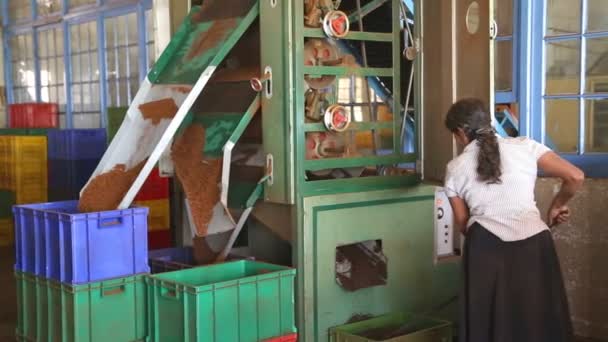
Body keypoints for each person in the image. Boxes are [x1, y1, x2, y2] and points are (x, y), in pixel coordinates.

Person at [443, 98, 584, 342]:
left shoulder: (455, 168)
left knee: (488, 319)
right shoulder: (526, 147)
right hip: (534, 243)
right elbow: (575, 176)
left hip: (484, 248)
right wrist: (557, 206)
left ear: (459, 133)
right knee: (537, 316)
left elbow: (463, 222)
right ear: (488, 122)